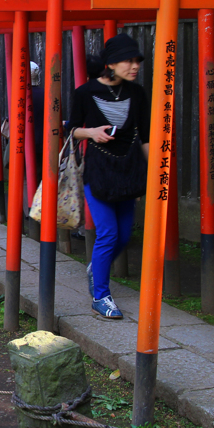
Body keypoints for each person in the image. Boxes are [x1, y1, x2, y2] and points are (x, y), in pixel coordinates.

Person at [65, 34, 149, 320]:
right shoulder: (85, 92)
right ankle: (100, 296)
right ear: (111, 63)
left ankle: (95, 268)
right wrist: (92, 132)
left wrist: (152, 174)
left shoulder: (137, 93)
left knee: (124, 236)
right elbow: (72, 128)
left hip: (129, 171)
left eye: (137, 60)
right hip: (98, 172)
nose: (135, 65)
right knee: (109, 233)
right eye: (129, 60)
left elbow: (147, 136)